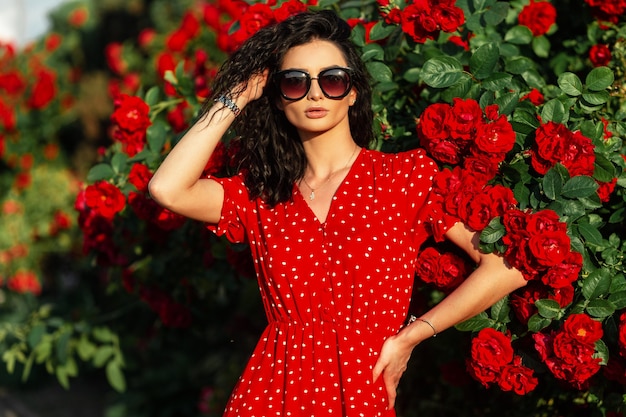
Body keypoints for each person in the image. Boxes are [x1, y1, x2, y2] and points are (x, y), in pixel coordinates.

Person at [148, 9, 527, 417]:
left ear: (352, 92)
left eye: (331, 80)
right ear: (276, 96)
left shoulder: (405, 177)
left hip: (362, 391)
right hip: (271, 393)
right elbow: (166, 188)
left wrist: (412, 336)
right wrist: (238, 94)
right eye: (294, 82)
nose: (315, 94)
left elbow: (506, 266)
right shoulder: (260, 197)